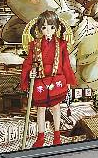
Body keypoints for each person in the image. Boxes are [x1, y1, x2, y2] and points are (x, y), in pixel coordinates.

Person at [21, 10, 77, 148]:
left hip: (56, 80)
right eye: (44, 27)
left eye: (52, 27)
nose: (48, 30)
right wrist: (29, 74)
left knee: (56, 108)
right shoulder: (34, 45)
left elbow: (65, 64)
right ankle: (41, 137)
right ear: (39, 28)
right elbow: (28, 62)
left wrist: (68, 81)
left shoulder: (62, 44)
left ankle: (56, 136)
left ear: (56, 28)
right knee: (40, 109)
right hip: (40, 80)